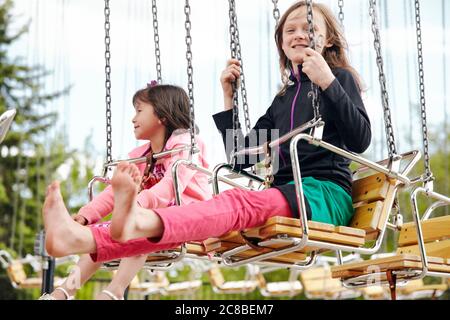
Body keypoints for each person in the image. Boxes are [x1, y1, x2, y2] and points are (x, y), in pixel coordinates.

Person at [41, 0, 371, 283]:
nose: (300, 34)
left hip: (324, 195)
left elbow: (360, 139)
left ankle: (127, 222)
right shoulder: (282, 100)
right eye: (291, 30)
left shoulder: (339, 79)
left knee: (237, 203)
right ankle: (79, 238)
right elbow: (241, 158)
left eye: (310, 29)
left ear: (327, 41)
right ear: (282, 44)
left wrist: (327, 80)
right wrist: (229, 100)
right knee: (199, 218)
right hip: (286, 197)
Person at [39, 83, 211, 300]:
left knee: (136, 226)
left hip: (191, 216)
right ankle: (63, 292)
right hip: (151, 217)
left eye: (139, 111)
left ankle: (115, 291)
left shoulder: (187, 145)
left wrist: (135, 205)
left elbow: (172, 184)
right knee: (100, 234)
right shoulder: (141, 156)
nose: (133, 118)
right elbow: (113, 192)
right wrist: (87, 214)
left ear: (162, 116)